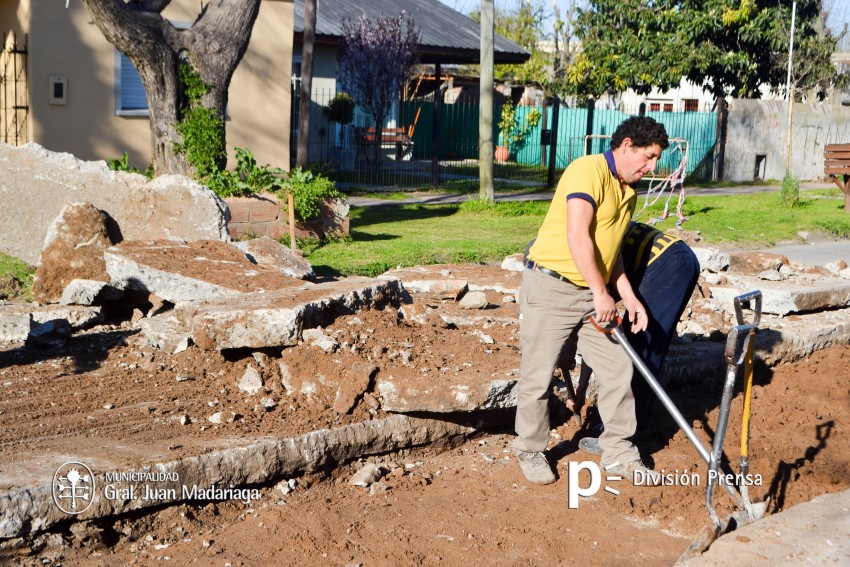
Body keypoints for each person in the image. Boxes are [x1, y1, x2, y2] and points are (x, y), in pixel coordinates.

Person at [513, 116, 669, 485]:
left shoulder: (628, 192)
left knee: (617, 368)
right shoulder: (588, 171)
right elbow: (578, 236)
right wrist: (602, 293)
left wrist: (628, 296)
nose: (652, 167)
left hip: (592, 294)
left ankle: (619, 451)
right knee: (538, 375)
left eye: (656, 159)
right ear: (626, 145)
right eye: (648, 157)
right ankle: (530, 448)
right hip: (552, 287)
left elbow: (609, 251)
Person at [564, 221, 701, 455]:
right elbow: (597, 333)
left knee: (638, 349)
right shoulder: (583, 242)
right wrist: (582, 388)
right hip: (680, 257)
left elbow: (599, 332)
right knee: (647, 345)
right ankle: (635, 421)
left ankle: (625, 434)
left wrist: (582, 386)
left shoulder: (582, 266)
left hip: (665, 265)